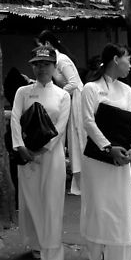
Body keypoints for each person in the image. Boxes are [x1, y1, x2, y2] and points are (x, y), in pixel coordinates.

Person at [80, 43, 131, 260]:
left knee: (120, 208)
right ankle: (95, 251)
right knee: (98, 205)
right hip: (99, 159)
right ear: (116, 59)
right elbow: (87, 122)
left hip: (122, 159)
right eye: (128, 59)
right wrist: (108, 147)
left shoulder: (126, 89)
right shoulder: (90, 89)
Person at [10, 45, 71, 260]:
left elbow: (61, 127)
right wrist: (21, 147)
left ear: (55, 66)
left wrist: (42, 149)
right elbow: (15, 119)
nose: (41, 68)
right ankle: (36, 243)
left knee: (52, 206)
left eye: (46, 64)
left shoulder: (63, 95)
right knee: (31, 202)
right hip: (26, 157)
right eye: (37, 64)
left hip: (51, 157)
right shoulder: (23, 92)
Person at [37, 30, 85, 195]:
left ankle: (85, 182)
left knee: (78, 138)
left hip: (77, 99)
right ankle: (79, 183)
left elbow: (74, 83)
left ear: (48, 44)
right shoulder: (52, 62)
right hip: (68, 99)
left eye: (40, 46)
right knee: (72, 140)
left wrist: (59, 95)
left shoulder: (62, 60)